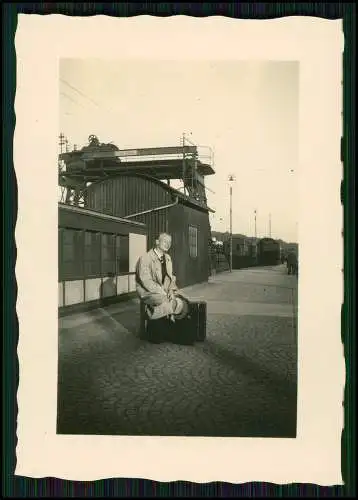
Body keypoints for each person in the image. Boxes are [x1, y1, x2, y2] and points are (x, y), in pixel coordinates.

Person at [135, 233, 188, 323]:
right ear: (157, 242)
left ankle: (166, 319)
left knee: (184, 301)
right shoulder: (145, 258)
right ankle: (154, 317)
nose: (168, 244)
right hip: (148, 292)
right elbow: (146, 281)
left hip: (164, 291)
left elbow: (171, 278)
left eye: (169, 242)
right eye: (165, 241)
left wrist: (171, 291)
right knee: (170, 303)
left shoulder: (168, 258)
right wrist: (163, 292)